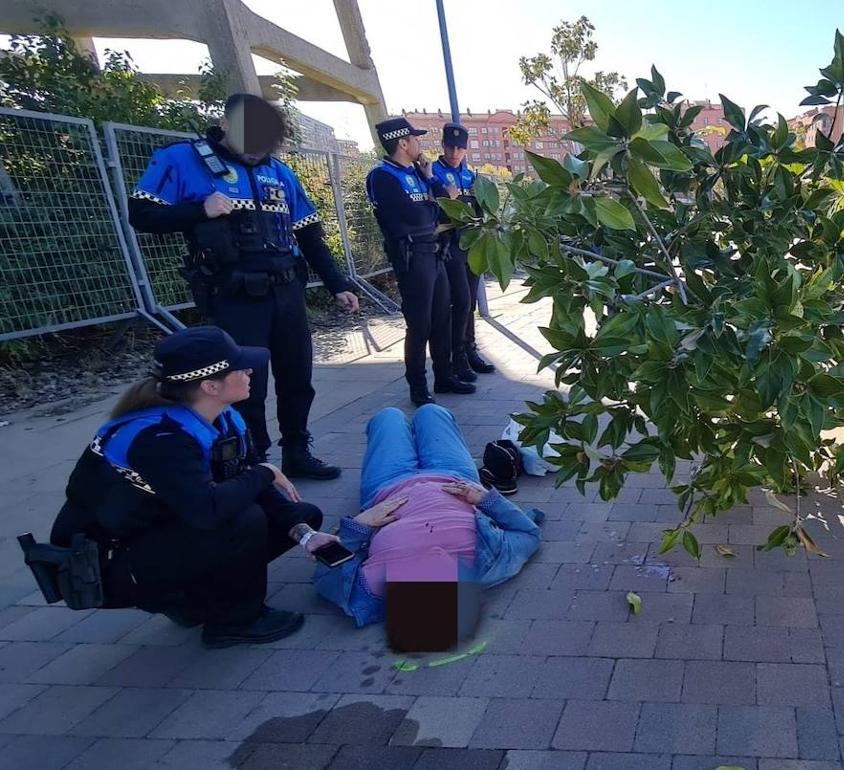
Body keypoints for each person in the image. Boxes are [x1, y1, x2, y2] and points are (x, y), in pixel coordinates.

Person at [50, 326, 343, 648]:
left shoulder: (221, 416)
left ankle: (195, 599)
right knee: (243, 520)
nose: (249, 372)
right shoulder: (160, 438)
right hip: (108, 561)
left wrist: (305, 534)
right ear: (210, 385)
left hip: (164, 528)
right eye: (240, 368)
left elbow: (243, 475)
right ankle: (233, 621)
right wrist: (264, 472)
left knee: (299, 515)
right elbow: (209, 510)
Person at [127, 92, 359, 481]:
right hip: (234, 295)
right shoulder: (183, 159)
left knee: (297, 377)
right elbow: (142, 213)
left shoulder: (280, 172)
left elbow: (310, 234)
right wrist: (200, 210)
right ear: (227, 125)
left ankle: (297, 451)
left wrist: (338, 284)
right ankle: (253, 463)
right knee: (244, 384)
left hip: (286, 290)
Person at [313, 405, 543, 628]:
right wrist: (486, 500)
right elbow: (529, 533)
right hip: (452, 474)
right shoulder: (490, 565)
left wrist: (358, 526)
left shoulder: (370, 591)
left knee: (387, 417)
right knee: (432, 413)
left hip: (386, 485)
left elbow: (326, 574)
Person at [366, 117, 475, 405]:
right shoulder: (383, 176)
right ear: (403, 142)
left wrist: (432, 181)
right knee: (420, 324)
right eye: (415, 138)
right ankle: (417, 385)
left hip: (435, 252)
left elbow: (448, 211)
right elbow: (413, 218)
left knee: (442, 317)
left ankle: (444, 375)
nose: (419, 143)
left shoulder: (418, 172)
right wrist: (437, 205)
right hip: (412, 256)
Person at [431, 123, 496, 382]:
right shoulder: (432, 173)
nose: (455, 151)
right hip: (448, 246)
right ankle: (456, 357)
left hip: (471, 245)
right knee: (459, 302)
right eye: (450, 146)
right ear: (443, 145)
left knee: (468, 301)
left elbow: (481, 211)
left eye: (460, 147)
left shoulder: (471, 176)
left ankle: (469, 351)